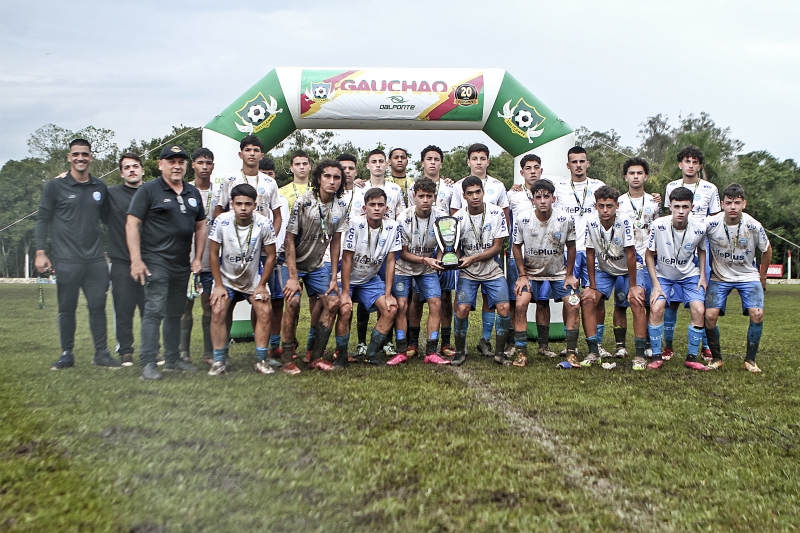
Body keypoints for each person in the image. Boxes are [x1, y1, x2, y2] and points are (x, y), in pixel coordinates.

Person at [35, 138, 119, 369]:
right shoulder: (54, 186)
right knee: (66, 308)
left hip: (95, 260)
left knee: (97, 307)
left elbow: (109, 219)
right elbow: (42, 219)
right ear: (69, 157)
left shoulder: (100, 187)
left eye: (84, 154)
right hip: (66, 260)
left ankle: (101, 353)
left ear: (90, 157)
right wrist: (40, 252)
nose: (80, 158)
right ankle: (67, 354)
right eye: (76, 154)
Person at [126, 145, 207, 380]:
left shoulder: (192, 192)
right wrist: (136, 260)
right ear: (160, 164)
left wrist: (197, 258)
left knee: (175, 312)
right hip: (155, 260)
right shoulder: (148, 190)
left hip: (181, 263)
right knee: (154, 311)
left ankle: (173, 360)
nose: (177, 166)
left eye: (181, 161)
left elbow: (201, 226)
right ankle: (148, 364)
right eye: (171, 161)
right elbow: (132, 224)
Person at [280, 160, 349, 373]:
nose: (332, 181)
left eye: (337, 177)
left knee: (333, 302)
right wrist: (293, 277)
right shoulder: (304, 202)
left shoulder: (341, 207)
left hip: (317, 264)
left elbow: (336, 242)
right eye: (327, 176)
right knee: (293, 302)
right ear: (319, 178)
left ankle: (316, 357)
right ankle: (287, 360)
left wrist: (333, 277)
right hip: (291, 262)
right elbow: (289, 238)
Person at [207, 183, 277, 375]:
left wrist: (262, 285)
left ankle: (261, 360)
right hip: (226, 280)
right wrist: (218, 285)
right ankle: (219, 361)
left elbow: (271, 255)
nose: (243, 208)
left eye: (247, 204)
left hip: (253, 280)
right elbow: (213, 253)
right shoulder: (222, 221)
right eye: (239, 204)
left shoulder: (263, 223)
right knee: (218, 310)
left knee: (264, 311)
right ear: (232, 204)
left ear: (255, 205)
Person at [510, 179, 581, 367]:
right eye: (538, 197)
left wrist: (569, 274)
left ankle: (571, 353)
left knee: (574, 304)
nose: (543, 201)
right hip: (531, 274)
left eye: (547, 196)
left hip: (559, 274)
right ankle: (521, 353)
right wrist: (522, 275)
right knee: (520, 304)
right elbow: (516, 246)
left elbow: (571, 246)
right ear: (532, 200)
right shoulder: (523, 219)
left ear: (553, 199)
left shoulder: (565, 219)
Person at [449, 143, 510, 359]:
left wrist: (471, 258)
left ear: (483, 192)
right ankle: (460, 351)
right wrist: (455, 260)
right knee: (462, 308)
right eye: (470, 193)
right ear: (463, 196)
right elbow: (454, 247)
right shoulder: (458, 218)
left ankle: (498, 352)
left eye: (478, 192)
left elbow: (497, 247)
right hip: (468, 271)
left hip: (491, 268)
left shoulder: (496, 213)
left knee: (503, 307)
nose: (475, 196)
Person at [704, 183, 771, 373]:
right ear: (722, 204)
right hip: (720, 276)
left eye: (737, 203)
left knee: (757, 314)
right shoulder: (711, 223)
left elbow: (767, 250)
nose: (732, 207)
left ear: (744, 204)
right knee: (709, 315)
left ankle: (750, 360)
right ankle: (716, 358)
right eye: (728, 203)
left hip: (748, 275)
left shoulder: (753, 225)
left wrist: (763, 276)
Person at [579, 186, 649, 370]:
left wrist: (633, 286)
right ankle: (593, 351)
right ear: (595, 206)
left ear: (617, 206)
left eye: (609, 206)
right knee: (587, 299)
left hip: (629, 268)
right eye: (601, 206)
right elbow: (589, 254)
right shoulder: (591, 222)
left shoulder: (624, 221)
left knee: (636, 300)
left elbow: (631, 254)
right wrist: (592, 285)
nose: (605, 210)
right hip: (605, 269)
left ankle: (640, 355)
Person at [662, 146, 720, 360]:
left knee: (701, 299)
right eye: (687, 161)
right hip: (675, 247)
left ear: (700, 166)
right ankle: (668, 345)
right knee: (671, 301)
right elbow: (667, 215)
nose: (691, 165)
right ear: (680, 164)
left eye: (695, 162)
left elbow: (715, 218)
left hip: (700, 246)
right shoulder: (671, 186)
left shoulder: (710, 188)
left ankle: (705, 345)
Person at [552, 146, 608, 356]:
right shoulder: (559, 188)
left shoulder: (598, 186)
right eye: (574, 162)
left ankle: (598, 344)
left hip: (594, 248)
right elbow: (538, 193)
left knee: (597, 297)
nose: (578, 165)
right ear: (568, 165)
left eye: (582, 161)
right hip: (570, 250)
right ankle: (571, 345)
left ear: (588, 163)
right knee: (570, 298)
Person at [645, 187, 708, 371]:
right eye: (677, 206)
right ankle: (656, 356)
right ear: (670, 206)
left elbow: (702, 250)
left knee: (699, 310)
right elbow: (649, 254)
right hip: (663, 275)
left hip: (689, 275)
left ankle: (691, 357)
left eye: (685, 207)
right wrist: (656, 284)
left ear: (692, 207)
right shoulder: (658, 225)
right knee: (656, 308)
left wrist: (702, 275)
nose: (681, 211)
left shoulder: (699, 228)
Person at [387, 177, 449, 365]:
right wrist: (426, 260)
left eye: (429, 196)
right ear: (414, 196)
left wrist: (439, 258)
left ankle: (431, 351)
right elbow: (402, 253)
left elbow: (444, 243)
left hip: (427, 268)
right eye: (421, 196)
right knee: (402, 305)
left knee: (436, 304)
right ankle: (401, 350)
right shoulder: (403, 218)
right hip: (404, 267)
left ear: (435, 197)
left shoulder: (441, 217)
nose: (425, 200)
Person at [341, 188, 401, 365]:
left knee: (391, 308)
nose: (376, 208)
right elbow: (346, 259)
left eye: (380, 205)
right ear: (364, 208)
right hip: (348, 277)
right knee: (345, 308)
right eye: (372, 204)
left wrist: (388, 294)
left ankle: (371, 354)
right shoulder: (354, 224)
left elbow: (391, 261)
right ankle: (341, 355)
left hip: (369, 279)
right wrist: (345, 292)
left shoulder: (393, 227)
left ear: (386, 208)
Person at [407, 145, 456, 357]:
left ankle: (445, 342)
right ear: (423, 162)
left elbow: (453, 223)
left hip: (442, 251)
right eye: (429, 159)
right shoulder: (412, 188)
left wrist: (444, 255)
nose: (433, 162)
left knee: (444, 297)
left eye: (437, 159)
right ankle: (412, 343)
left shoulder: (450, 187)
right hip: (417, 254)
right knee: (415, 298)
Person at [612, 157, 660, 359]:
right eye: (631, 173)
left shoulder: (654, 202)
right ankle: (620, 345)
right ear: (625, 177)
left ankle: (647, 343)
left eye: (640, 173)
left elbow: (658, 229)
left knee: (648, 302)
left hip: (649, 257)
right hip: (625, 258)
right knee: (621, 302)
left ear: (646, 176)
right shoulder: (619, 203)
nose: (636, 177)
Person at [506, 154, 552, 357]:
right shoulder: (511, 194)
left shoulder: (549, 193)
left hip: (543, 257)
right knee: (515, 300)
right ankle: (513, 343)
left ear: (541, 170)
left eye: (536, 167)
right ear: (521, 172)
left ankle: (543, 346)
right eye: (528, 168)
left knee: (543, 300)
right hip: (518, 255)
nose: (532, 171)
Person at [106, 153, 148, 367]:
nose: (132, 170)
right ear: (121, 173)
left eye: (135, 166)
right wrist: (65, 178)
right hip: (121, 261)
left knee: (150, 310)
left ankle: (152, 350)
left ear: (142, 170)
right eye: (127, 167)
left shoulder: (152, 192)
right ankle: (125, 352)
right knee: (123, 310)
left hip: (149, 261)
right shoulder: (111, 194)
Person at [179, 148, 217, 365]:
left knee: (209, 307)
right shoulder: (183, 191)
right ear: (192, 164)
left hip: (210, 261)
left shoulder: (219, 193)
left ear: (213, 166)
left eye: (208, 163)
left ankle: (208, 353)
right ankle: (183, 352)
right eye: (200, 162)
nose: (204, 167)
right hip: (187, 260)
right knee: (185, 308)